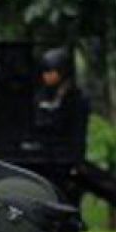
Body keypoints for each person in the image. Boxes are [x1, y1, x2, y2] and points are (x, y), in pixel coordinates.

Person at [34, 47, 89, 204]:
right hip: (46, 154)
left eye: (51, 72)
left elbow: (78, 132)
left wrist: (77, 161)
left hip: (65, 154)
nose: (47, 76)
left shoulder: (76, 98)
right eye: (45, 72)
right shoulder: (43, 94)